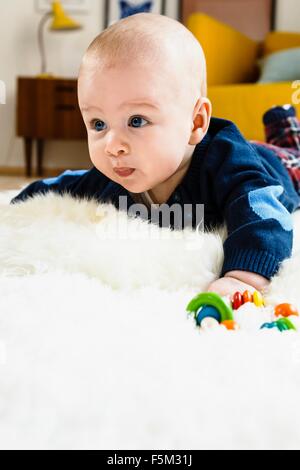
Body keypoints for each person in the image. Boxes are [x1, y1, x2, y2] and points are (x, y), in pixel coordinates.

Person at [11, 13, 300, 298]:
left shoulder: (227, 163)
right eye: (98, 124)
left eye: (136, 120)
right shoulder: (115, 173)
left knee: (290, 154)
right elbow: (64, 188)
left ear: (196, 123)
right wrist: (18, 205)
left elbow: (264, 214)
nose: (112, 144)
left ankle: (285, 128)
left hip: (273, 164)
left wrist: (244, 278)